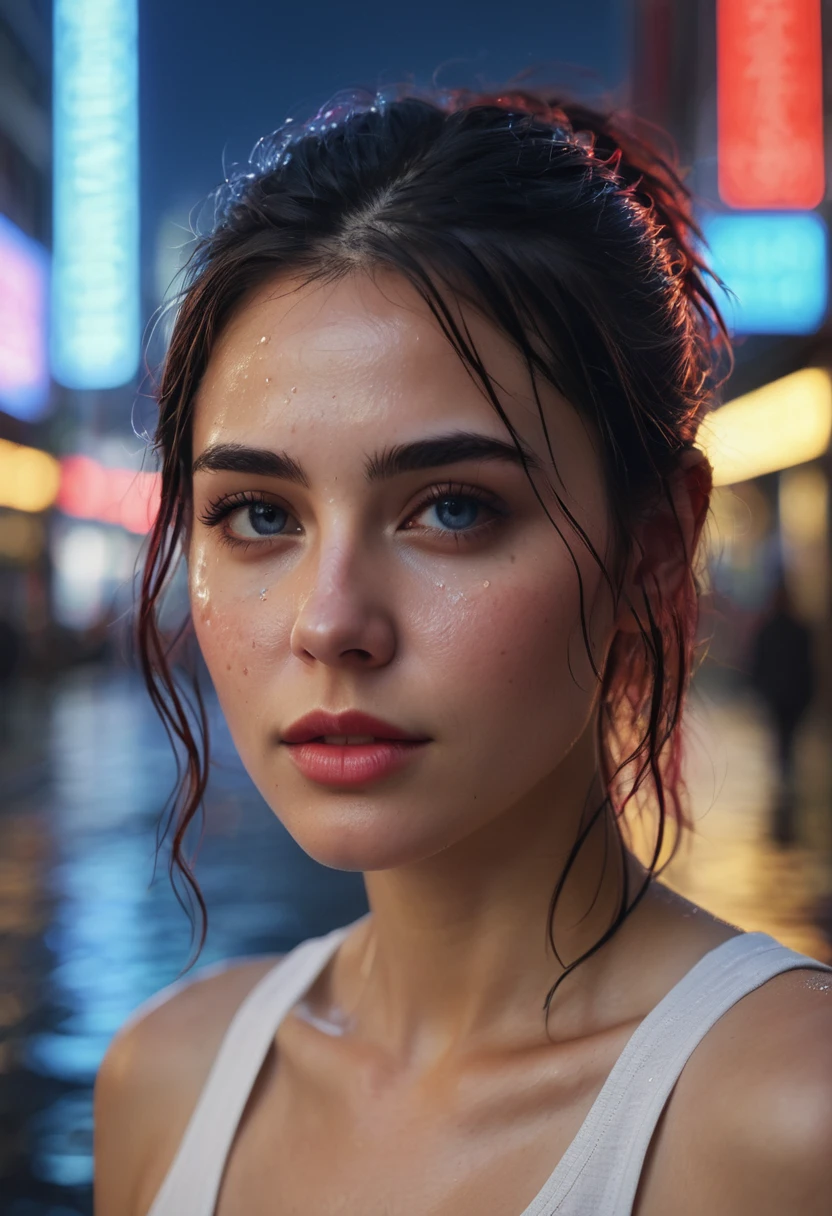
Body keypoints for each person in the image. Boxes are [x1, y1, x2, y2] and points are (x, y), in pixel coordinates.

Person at [94, 88, 832, 1216]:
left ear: (654, 546)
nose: (331, 620)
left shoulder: (788, 1119)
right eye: (258, 514)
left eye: (449, 509)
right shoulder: (167, 1084)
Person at [749, 577, 816, 844]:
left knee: (783, 738)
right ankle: (785, 778)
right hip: (787, 696)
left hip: (784, 696)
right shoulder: (795, 630)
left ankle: (784, 778)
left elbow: (759, 663)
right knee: (784, 738)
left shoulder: (775, 630)